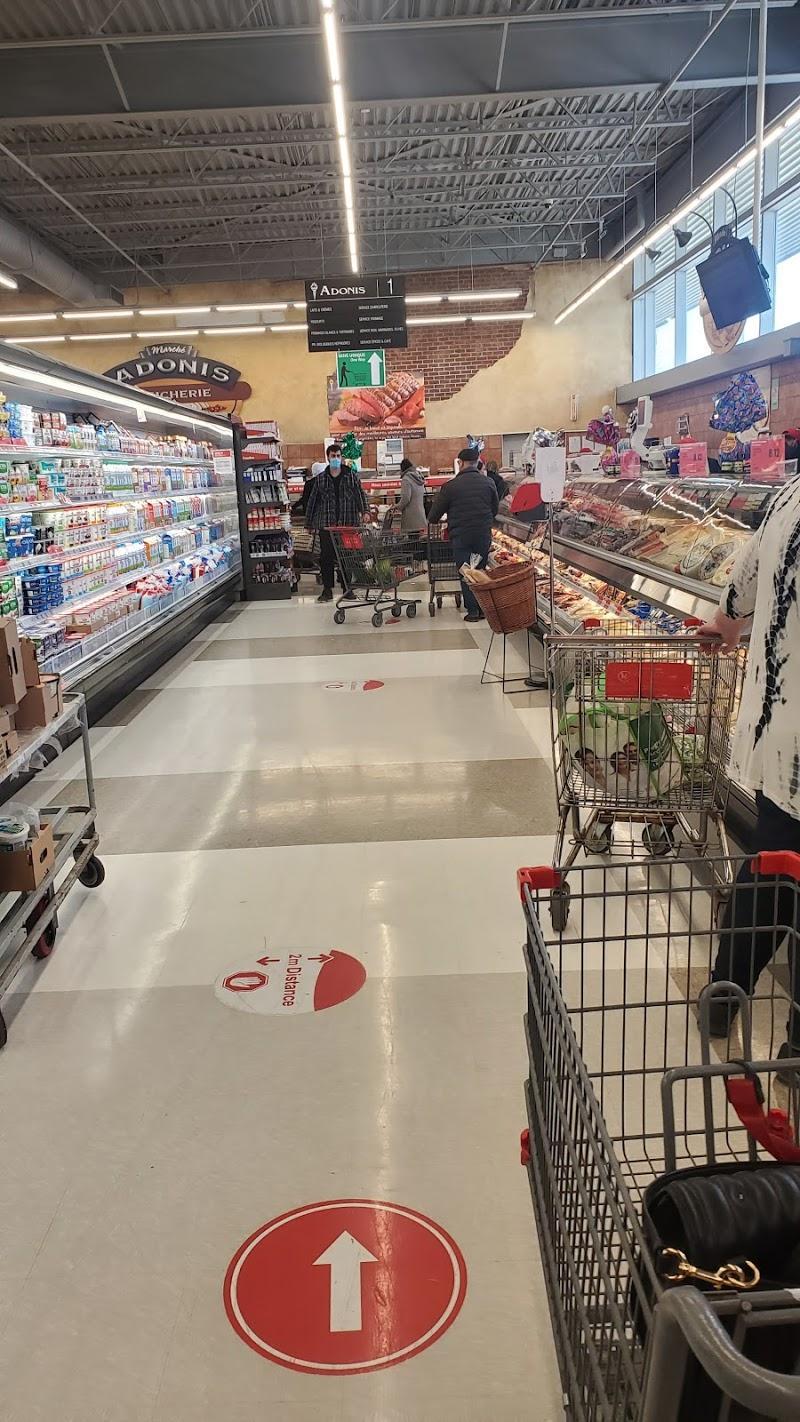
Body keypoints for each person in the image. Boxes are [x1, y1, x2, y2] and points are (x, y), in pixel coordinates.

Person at [699, 477, 800, 1079]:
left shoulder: (789, 496)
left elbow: (741, 589)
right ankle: (797, 1049)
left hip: (780, 734)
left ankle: (722, 995)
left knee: (769, 871)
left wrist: (727, 626)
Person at [428, 446, 498, 622]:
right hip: (482, 535)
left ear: (460, 463)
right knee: (479, 570)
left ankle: (473, 611)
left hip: (462, 537)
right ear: (477, 463)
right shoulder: (488, 483)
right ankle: (483, 609)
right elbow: (495, 509)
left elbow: (434, 516)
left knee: (466, 571)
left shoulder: (450, 487)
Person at [305, 443, 368, 603]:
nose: (336, 459)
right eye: (333, 456)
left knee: (347, 557)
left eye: (338, 456)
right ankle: (327, 590)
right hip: (327, 525)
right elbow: (312, 501)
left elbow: (360, 494)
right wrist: (309, 523)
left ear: (341, 457)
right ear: (328, 458)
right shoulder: (321, 479)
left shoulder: (351, 476)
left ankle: (347, 589)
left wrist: (365, 511)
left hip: (348, 524)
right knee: (326, 558)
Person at [397, 457, 426, 534]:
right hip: (420, 515)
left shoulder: (406, 479)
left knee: (412, 539)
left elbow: (406, 498)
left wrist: (398, 507)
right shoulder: (419, 477)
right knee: (417, 538)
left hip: (411, 517)